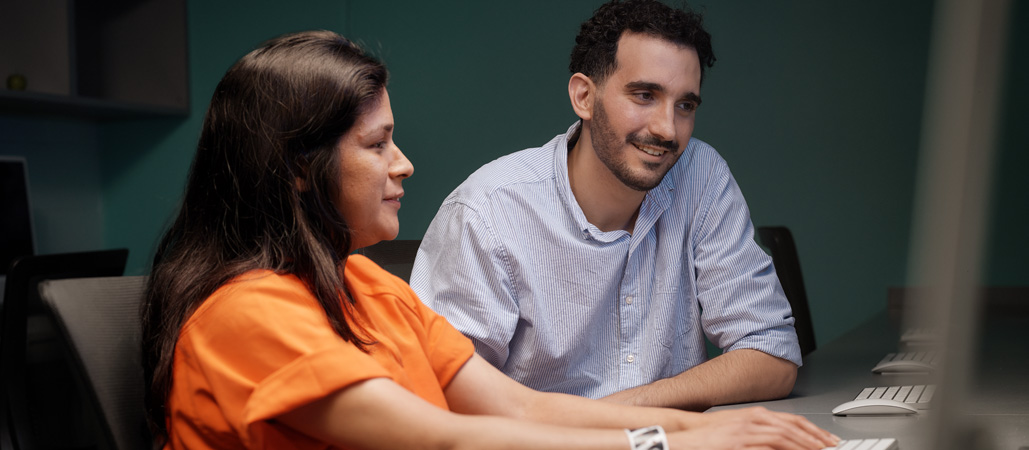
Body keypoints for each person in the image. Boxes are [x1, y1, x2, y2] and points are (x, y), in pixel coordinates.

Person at [140, 30, 837, 450]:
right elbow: (447, 438)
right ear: (298, 168)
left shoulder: (366, 284)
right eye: (378, 145)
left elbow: (518, 406)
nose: (404, 165)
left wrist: (703, 431)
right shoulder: (246, 314)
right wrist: (672, 443)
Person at [411, 0, 799, 411]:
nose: (668, 129)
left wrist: (619, 412)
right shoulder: (488, 212)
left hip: (668, 437)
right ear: (583, 96)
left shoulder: (700, 175)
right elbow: (439, 400)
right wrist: (598, 428)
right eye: (644, 95)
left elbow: (772, 353)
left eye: (685, 105)